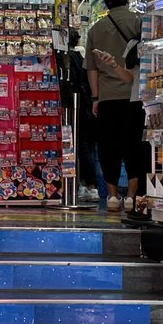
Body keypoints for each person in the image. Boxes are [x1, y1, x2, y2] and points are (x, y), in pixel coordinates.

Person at [84, 0, 147, 213]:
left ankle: (111, 197)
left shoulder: (95, 30)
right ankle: (131, 197)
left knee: (108, 147)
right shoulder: (137, 23)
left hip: (107, 97)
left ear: (106, 2)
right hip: (135, 96)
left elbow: (92, 68)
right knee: (133, 145)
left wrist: (95, 97)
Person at [65, 28, 101, 204]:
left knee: (80, 146)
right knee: (85, 146)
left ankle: (88, 185)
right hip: (87, 106)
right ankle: (89, 185)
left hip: (76, 107)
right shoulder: (83, 57)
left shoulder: (68, 59)